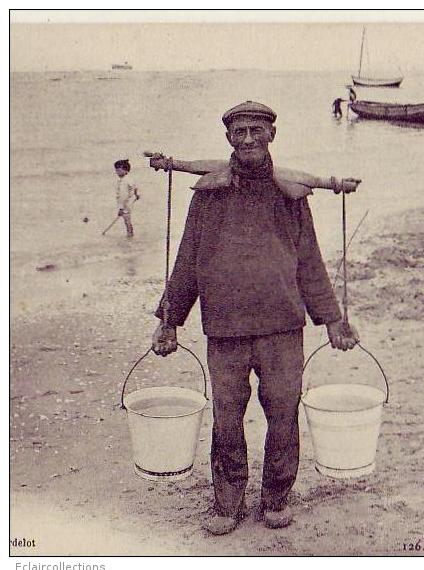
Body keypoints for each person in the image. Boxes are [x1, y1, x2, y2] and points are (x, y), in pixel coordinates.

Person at [150, 101, 361, 536]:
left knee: (283, 414)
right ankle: (227, 502)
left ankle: (276, 497)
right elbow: (187, 260)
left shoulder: (292, 195)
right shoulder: (208, 196)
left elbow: (309, 262)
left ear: (271, 136)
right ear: (228, 138)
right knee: (226, 418)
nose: (248, 139)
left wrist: (334, 320)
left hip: (283, 326)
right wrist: (169, 319)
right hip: (225, 329)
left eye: (256, 131)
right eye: (240, 132)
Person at [114, 159, 139, 238]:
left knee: (127, 221)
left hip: (126, 204)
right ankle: (130, 234)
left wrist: (121, 208)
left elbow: (123, 195)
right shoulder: (129, 179)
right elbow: (136, 188)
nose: (116, 172)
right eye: (116, 170)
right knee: (128, 220)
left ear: (125, 170)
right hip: (130, 202)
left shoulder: (124, 181)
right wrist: (137, 195)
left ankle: (130, 235)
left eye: (118, 170)